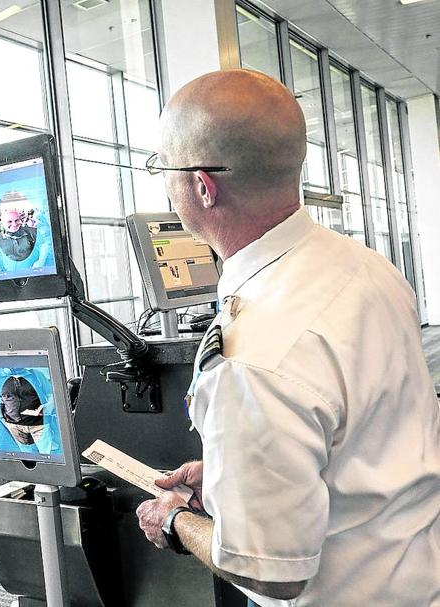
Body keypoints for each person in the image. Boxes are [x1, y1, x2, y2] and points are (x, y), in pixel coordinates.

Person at [134, 69, 440, 606]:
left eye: (164, 167)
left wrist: (175, 520)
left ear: (203, 186)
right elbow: (362, 429)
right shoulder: (366, 268)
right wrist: (236, 475)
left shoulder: (255, 358)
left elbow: (271, 572)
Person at [0, 374, 45, 446]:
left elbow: (50, 395)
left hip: (37, 423)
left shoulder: (35, 374)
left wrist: (46, 408)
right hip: (13, 424)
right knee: (25, 450)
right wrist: (2, 418)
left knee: (45, 451)